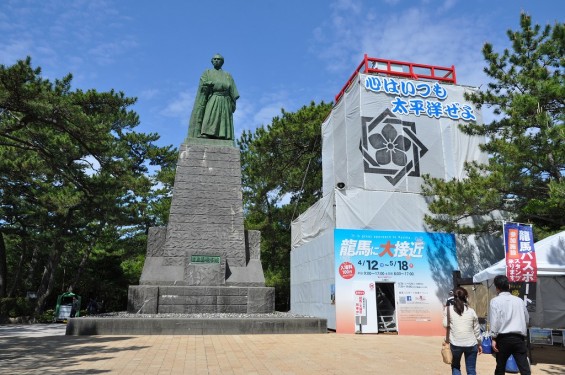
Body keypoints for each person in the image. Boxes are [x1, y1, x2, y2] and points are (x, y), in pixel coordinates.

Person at [188, 53, 239, 140]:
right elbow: (203, 83)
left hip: (225, 100)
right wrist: (207, 84)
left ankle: (223, 135)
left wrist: (232, 103)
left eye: (218, 59)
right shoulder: (207, 72)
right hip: (213, 97)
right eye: (214, 59)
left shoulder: (227, 75)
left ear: (222, 62)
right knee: (209, 116)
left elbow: (233, 91)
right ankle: (206, 133)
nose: (216, 61)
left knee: (223, 119)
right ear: (212, 61)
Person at [489, 275, 531, 375]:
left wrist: (493, 338)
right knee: (524, 368)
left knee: (500, 367)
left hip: (503, 339)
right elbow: (527, 320)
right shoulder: (519, 301)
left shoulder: (494, 301)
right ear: (508, 286)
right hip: (519, 338)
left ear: (497, 288)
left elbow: (494, 321)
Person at [443, 287, 482, 375]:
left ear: (454, 297)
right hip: (471, 344)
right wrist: (479, 343)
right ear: (466, 297)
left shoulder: (448, 310)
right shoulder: (471, 311)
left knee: (456, 367)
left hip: (455, 343)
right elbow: (476, 330)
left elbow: (445, 324)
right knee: (471, 369)